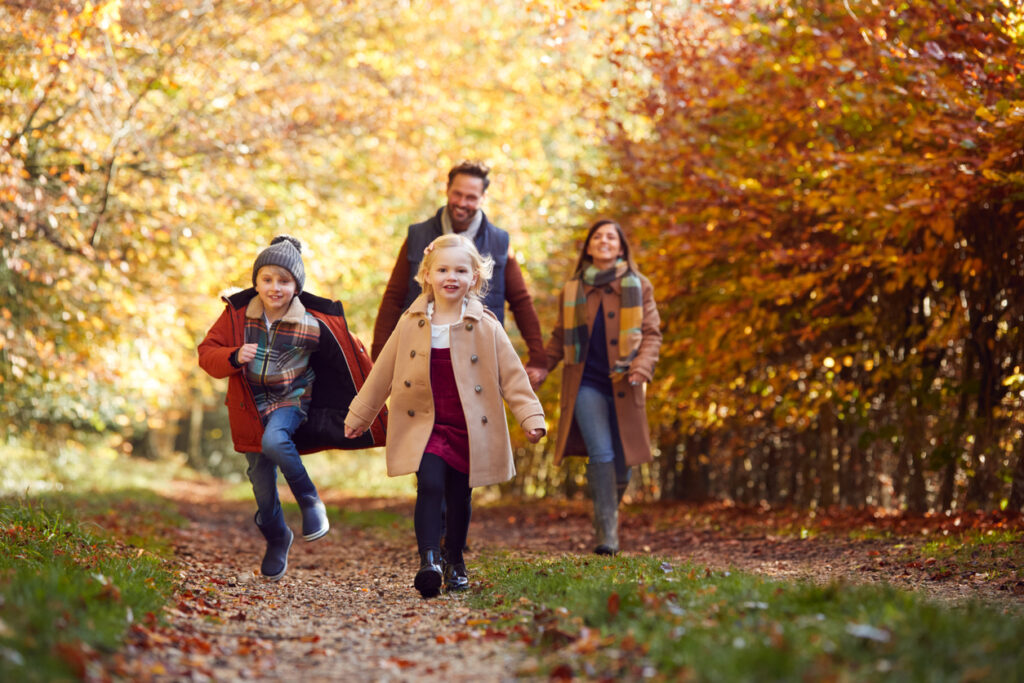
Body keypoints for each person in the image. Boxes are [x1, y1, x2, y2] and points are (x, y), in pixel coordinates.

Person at [345, 234, 545, 598]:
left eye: (460, 270)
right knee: (431, 485)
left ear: (474, 278)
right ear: (427, 275)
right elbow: (383, 372)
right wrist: (360, 415)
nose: (450, 277)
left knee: (459, 496)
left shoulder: (485, 325)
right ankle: (429, 561)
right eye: (442, 269)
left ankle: (455, 558)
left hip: (469, 425)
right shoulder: (412, 322)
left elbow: (513, 375)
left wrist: (531, 417)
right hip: (425, 423)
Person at [198, 235, 385, 581]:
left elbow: (349, 357)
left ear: (296, 286)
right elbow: (207, 352)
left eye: (284, 281)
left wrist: (372, 401)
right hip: (250, 408)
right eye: (267, 279)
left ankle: (311, 502)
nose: (275, 287)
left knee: (275, 441)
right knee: (261, 485)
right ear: (255, 282)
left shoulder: (312, 324)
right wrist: (233, 355)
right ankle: (277, 536)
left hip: (292, 401)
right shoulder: (237, 316)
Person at [371, 161, 548, 388]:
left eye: (471, 197)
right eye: (458, 194)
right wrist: (377, 357)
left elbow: (521, 302)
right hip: (420, 352)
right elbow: (394, 298)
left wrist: (538, 359)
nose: (462, 203)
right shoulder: (417, 235)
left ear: (483, 198)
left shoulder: (500, 243)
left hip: (479, 358)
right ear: (447, 190)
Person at [544, 219, 662, 555]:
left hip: (626, 381)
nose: (604, 241)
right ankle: (607, 535)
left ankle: (607, 515)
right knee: (602, 453)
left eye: (611, 236)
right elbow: (558, 338)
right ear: (589, 247)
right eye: (597, 237)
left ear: (621, 247)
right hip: (585, 383)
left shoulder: (639, 285)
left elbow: (652, 334)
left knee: (623, 458)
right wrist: (539, 368)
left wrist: (641, 367)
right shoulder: (572, 289)